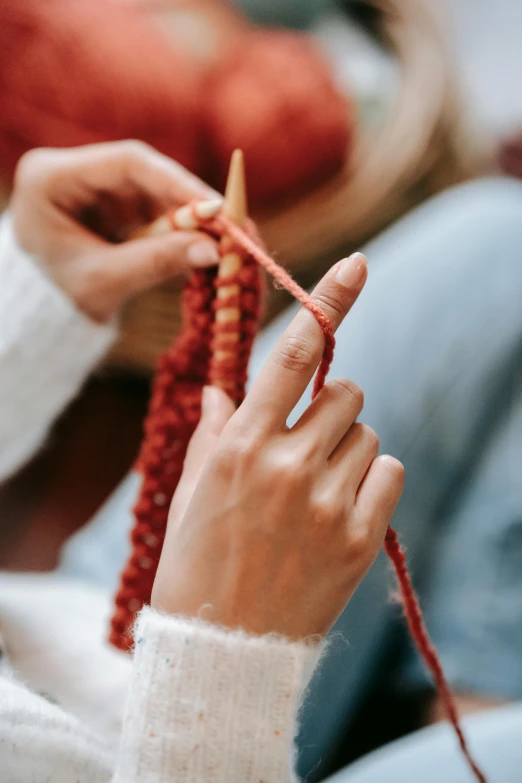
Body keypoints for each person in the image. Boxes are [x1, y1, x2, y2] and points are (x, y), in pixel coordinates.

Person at [0, 141, 404, 782]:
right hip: (195, 726)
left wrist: (26, 298)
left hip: (64, 625)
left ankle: (469, 682)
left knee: (496, 232)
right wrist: (224, 654)